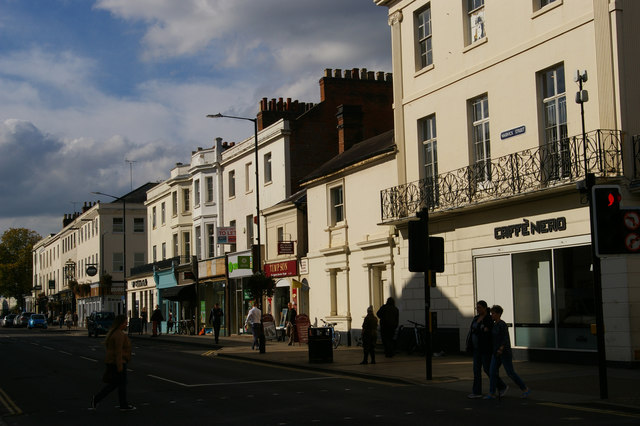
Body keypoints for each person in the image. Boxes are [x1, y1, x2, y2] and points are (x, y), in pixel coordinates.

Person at [485, 305, 531, 400]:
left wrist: (501, 348)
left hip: (504, 352)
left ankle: (525, 389)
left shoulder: (502, 324)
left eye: (493, 313)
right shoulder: (494, 325)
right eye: (491, 313)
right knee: (492, 372)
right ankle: (492, 392)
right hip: (496, 352)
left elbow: (505, 338)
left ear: (498, 314)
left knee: (510, 372)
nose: (492, 315)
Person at [91, 315, 135, 411]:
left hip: (113, 362)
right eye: (124, 322)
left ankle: (100, 399)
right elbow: (118, 352)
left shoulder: (114, 333)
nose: (126, 324)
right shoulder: (119, 335)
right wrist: (120, 365)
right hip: (118, 362)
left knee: (116, 384)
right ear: (120, 324)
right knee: (119, 385)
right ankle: (122, 404)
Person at [467, 300, 506, 399]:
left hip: (485, 348)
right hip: (476, 348)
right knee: (476, 370)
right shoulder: (476, 318)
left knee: (487, 369)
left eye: (480, 307)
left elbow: (487, 332)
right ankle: (476, 391)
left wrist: (480, 330)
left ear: (485, 308)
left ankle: (501, 385)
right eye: (477, 307)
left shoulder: (488, 318)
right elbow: (474, 330)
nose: (478, 309)